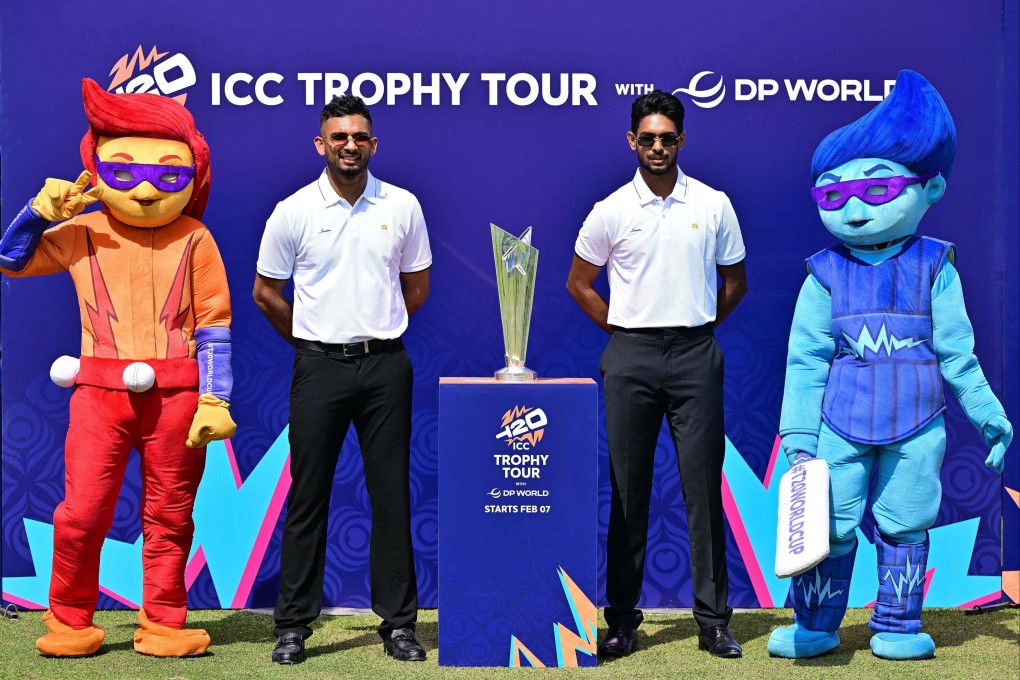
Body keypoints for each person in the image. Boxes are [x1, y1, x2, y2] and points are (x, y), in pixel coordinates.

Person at [767, 69, 1012, 661]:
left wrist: (987, 414)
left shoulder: (935, 266)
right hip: (839, 426)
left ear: (929, 189)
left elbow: (958, 352)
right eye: (832, 193)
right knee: (827, 525)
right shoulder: (823, 273)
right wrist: (799, 438)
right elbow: (806, 360)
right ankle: (817, 625)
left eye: (876, 190)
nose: (853, 209)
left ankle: (898, 624)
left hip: (918, 425)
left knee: (905, 523)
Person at [0, 78, 234, 658]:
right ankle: (70, 621)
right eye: (126, 172)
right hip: (100, 394)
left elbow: (215, 326)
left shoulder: (196, 237)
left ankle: (164, 623)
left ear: (193, 177)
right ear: (98, 171)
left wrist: (216, 398)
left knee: (171, 515)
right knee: (81, 511)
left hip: (178, 397)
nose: (149, 188)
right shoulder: (83, 230)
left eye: (169, 174)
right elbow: (11, 260)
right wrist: (35, 212)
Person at [566, 90, 748, 659]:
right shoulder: (612, 209)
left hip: (696, 355)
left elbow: (735, 282)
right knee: (627, 491)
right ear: (632, 142)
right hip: (630, 359)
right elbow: (579, 282)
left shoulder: (714, 204)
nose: (658, 147)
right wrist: (624, 332)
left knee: (703, 490)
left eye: (668, 138)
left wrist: (693, 327)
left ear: (682, 141)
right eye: (648, 138)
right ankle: (621, 621)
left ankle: (714, 621)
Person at [253, 94, 431, 664]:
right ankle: (293, 626)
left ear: (373, 144)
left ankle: (400, 624)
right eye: (339, 137)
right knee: (307, 496)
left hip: (385, 366)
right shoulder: (293, 211)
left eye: (359, 137)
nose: (349, 145)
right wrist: (313, 341)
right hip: (318, 366)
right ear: (320, 144)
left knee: (390, 496)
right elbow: (266, 293)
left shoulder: (402, 205)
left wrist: (374, 332)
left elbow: (416, 287)